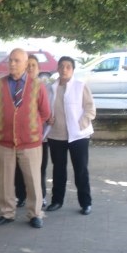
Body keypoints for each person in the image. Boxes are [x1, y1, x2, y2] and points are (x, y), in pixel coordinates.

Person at [0, 48, 50, 229]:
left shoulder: (37, 85)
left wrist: (30, 126)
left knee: (33, 180)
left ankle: (35, 214)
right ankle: (7, 212)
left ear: (25, 64)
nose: (12, 64)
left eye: (17, 61)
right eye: (11, 60)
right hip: (4, 141)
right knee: (5, 180)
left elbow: (45, 113)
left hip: (30, 143)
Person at [45, 56, 96, 215]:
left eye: (68, 66)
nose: (64, 69)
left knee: (80, 170)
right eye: (61, 66)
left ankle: (85, 203)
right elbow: (44, 109)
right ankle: (57, 201)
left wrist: (81, 123)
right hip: (56, 135)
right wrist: (47, 118)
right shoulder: (50, 88)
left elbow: (90, 108)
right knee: (58, 170)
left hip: (78, 136)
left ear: (73, 70)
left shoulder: (80, 86)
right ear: (57, 69)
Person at [15, 55, 49, 208]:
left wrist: (33, 126)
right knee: (19, 169)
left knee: (39, 169)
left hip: (40, 137)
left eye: (33, 65)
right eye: (27, 65)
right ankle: (21, 196)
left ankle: (40, 197)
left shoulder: (44, 87)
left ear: (39, 69)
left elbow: (45, 112)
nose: (30, 68)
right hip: (20, 138)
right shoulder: (16, 86)